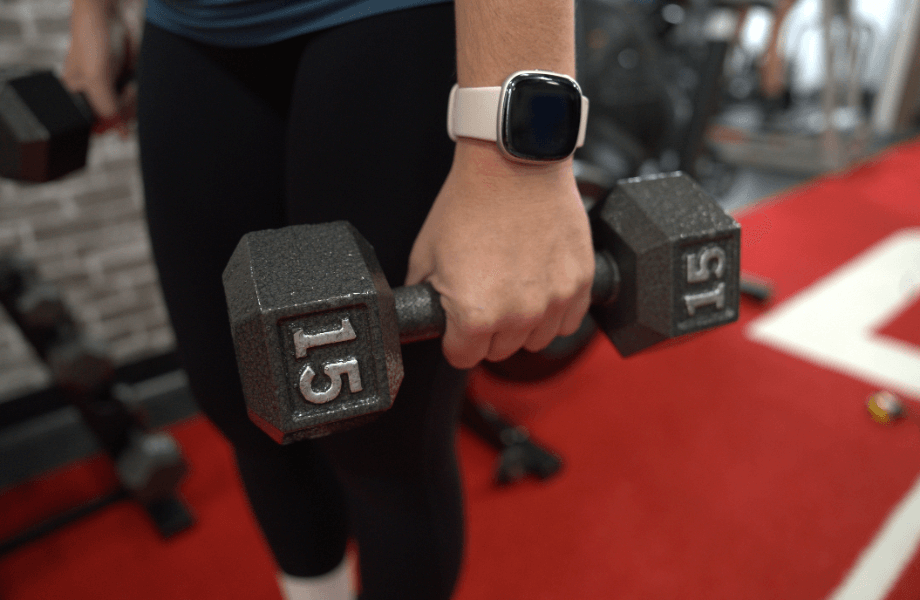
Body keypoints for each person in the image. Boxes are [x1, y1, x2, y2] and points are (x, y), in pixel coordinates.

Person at [63, 0, 595, 596]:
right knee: (245, 397)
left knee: (381, 440)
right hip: (188, 25)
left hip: (386, 19)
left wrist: (518, 160)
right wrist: (91, 13)